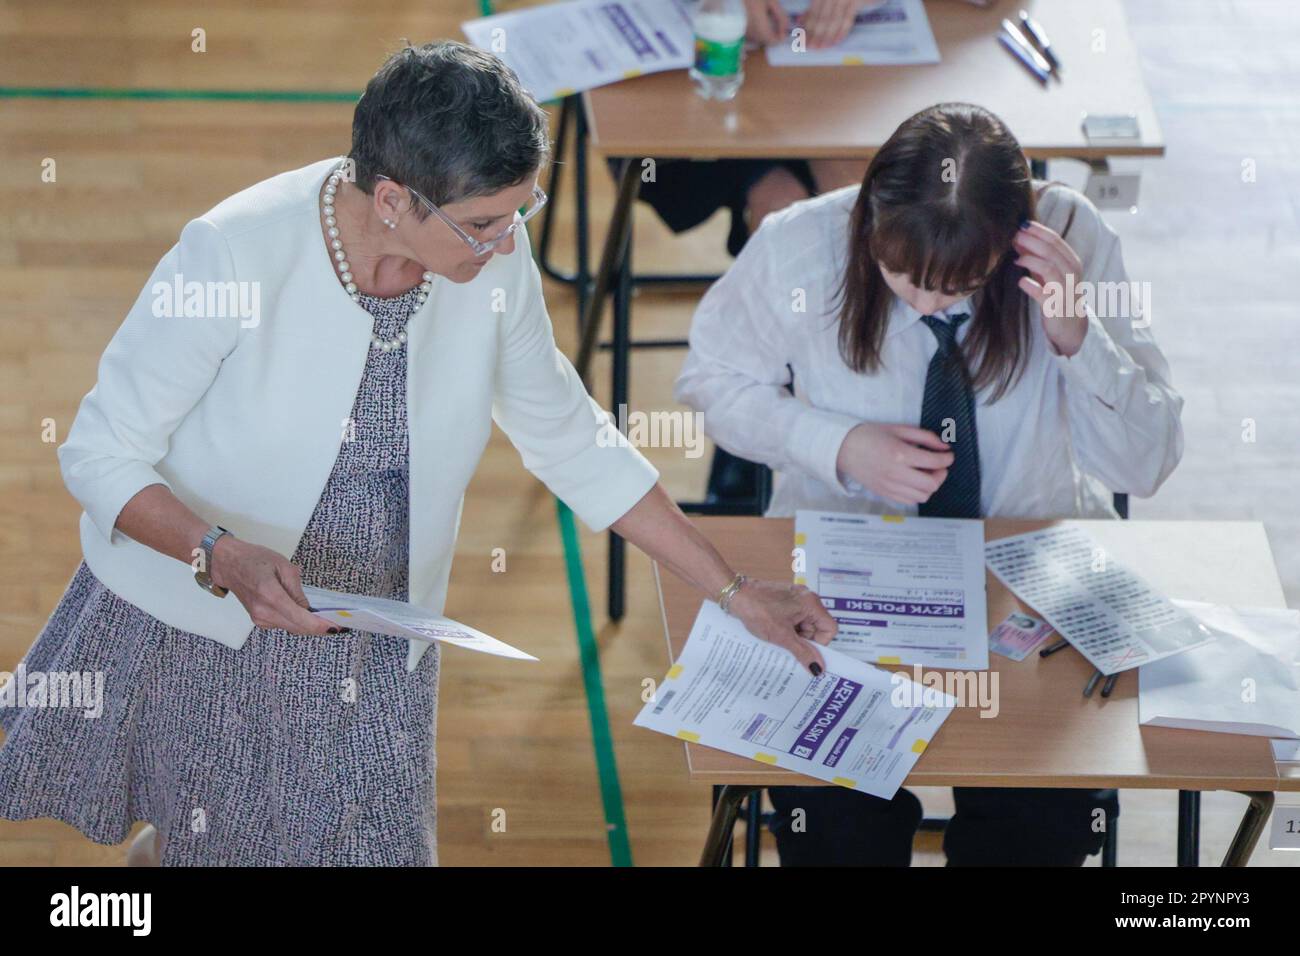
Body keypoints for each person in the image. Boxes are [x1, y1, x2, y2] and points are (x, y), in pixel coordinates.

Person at [0, 40, 836, 867]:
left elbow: (571, 436)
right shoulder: (232, 252)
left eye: (521, 212)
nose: (506, 243)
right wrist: (220, 555)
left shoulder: (492, 266)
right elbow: (100, 453)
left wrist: (733, 590)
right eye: (483, 224)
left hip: (377, 631)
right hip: (211, 621)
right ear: (393, 199)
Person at [675, 102, 1184, 865]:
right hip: (845, 583)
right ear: (869, 222)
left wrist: (1079, 336)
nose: (924, 302)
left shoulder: (1072, 235)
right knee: (835, 827)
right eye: (903, 276)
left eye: (957, 285)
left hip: (1025, 583)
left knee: (1039, 827)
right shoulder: (799, 244)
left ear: (1010, 244)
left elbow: (1147, 464)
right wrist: (836, 443)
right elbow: (709, 382)